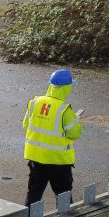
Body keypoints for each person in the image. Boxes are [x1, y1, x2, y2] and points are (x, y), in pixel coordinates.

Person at [23, 68, 84, 207]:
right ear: (66, 88)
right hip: (59, 161)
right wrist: (76, 120)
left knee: (34, 193)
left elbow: (26, 125)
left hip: (36, 158)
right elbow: (75, 134)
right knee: (63, 196)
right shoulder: (65, 110)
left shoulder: (34, 103)